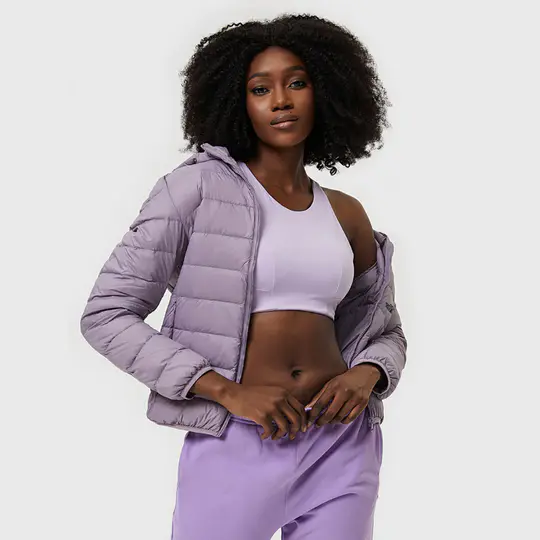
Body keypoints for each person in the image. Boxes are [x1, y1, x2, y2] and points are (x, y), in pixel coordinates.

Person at [80, 13, 407, 540]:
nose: (280, 100)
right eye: (260, 89)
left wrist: (367, 373)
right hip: (238, 437)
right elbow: (106, 314)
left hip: (343, 444)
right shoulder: (195, 190)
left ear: (326, 91)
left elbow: (385, 331)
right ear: (237, 102)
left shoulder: (346, 213)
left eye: (297, 83)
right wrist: (225, 391)